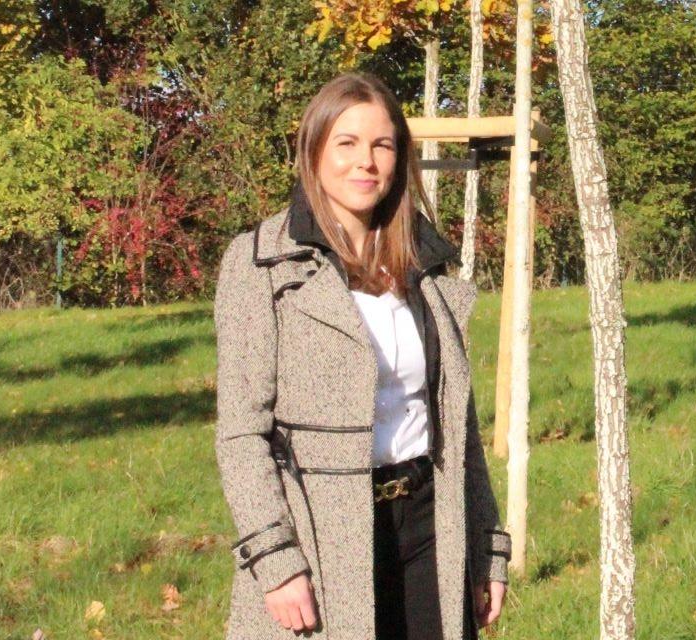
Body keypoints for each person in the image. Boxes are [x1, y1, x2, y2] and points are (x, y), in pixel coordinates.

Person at [214, 72, 509, 640]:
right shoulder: (259, 265)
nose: (365, 162)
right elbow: (241, 433)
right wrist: (276, 561)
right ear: (314, 150)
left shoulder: (424, 268)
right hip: (320, 537)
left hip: (430, 525)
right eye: (346, 143)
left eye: (382, 145)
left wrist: (485, 544)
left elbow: (460, 428)